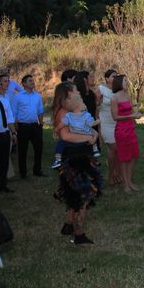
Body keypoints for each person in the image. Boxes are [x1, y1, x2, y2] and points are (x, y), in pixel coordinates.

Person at [53, 82, 101, 245]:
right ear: (67, 95)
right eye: (75, 91)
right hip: (74, 159)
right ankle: (79, 232)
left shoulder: (74, 110)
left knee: (76, 194)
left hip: (81, 155)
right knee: (83, 194)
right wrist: (88, 138)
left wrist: (92, 134)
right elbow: (65, 136)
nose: (78, 92)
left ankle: (68, 225)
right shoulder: (64, 113)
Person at [110, 75, 141, 194]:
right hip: (121, 131)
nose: (127, 82)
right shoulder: (114, 98)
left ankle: (129, 180)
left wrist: (135, 109)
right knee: (124, 158)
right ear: (119, 82)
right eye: (125, 81)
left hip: (131, 129)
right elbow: (115, 117)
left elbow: (129, 109)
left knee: (134, 155)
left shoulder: (128, 95)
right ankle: (126, 184)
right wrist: (131, 116)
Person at [11, 74, 45, 179]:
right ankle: (23, 173)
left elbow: (40, 110)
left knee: (39, 148)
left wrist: (41, 123)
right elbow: (14, 113)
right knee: (22, 150)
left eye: (33, 80)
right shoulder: (17, 97)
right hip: (23, 126)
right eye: (30, 81)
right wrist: (15, 127)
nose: (33, 82)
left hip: (35, 126)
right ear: (24, 84)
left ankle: (37, 170)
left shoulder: (38, 96)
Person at [98, 69, 120, 185]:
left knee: (117, 150)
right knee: (114, 148)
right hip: (105, 122)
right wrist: (98, 126)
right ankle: (112, 175)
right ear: (106, 78)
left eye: (116, 76)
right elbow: (95, 106)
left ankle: (116, 172)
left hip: (117, 122)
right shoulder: (100, 89)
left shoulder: (118, 91)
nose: (115, 78)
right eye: (112, 76)